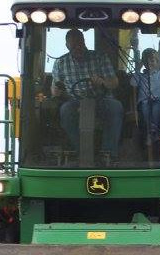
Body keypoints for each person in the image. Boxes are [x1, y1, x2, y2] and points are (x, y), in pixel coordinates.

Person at [53, 30, 124, 164]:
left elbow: (114, 83)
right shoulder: (60, 63)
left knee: (115, 107)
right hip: (74, 101)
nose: (78, 47)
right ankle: (79, 150)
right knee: (65, 111)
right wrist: (56, 90)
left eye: (80, 43)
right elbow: (54, 89)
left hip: (100, 99)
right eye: (74, 45)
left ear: (84, 42)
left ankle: (108, 153)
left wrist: (102, 82)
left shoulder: (99, 57)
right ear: (67, 46)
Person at [132, 48, 160, 142]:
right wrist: (138, 68)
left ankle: (154, 130)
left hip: (157, 100)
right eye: (147, 60)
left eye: (153, 60)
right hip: (144, 100)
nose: (150, 63)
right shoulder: (140, 76)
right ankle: (148, 131)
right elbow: (133, 83)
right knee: (144, 107)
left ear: (157, 61)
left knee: (156, 108)